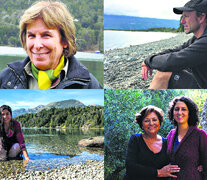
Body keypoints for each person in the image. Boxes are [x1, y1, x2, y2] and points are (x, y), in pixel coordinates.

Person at [0, 1, 102, 89]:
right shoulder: (5, 79)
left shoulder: (89, 85)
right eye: (31, 35)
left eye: (46, 35)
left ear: (65, 40)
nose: (37, 45)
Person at [141, 0, 207, 89]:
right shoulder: (196, 39)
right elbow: (176, 51)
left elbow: (171, 62)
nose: (182, 21)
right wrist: (149, 59)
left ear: (201, 18)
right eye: (182, 17)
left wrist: (148, 61)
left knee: (164, 72)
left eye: (186, 16)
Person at [124, 105, 180, 180]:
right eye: (147, 120)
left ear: (159, 122)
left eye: (154, 120)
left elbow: (176, 165)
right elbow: (130, 167)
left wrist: (199, 165)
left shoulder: (167, 143)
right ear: (142, 125)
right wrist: (158, 172)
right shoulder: (135, 140)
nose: (151, 123)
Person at [167, 96, 207, 179]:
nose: (179, 112)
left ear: (190, 112)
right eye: (176, 109)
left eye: (184, 109)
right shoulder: (171, 134)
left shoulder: (200, 135)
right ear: (172, 112)